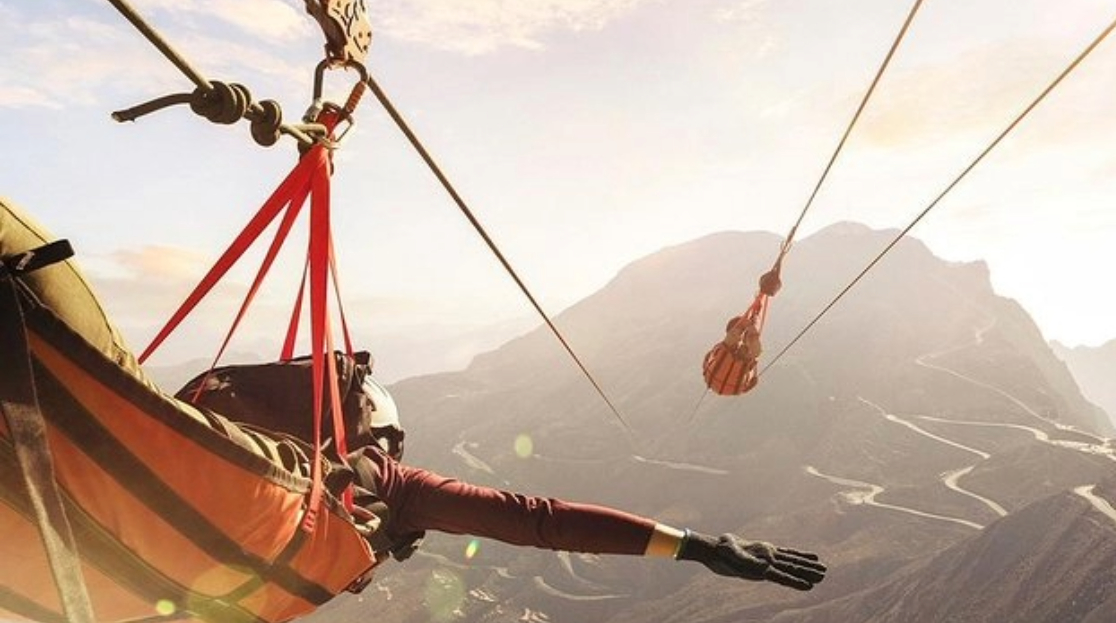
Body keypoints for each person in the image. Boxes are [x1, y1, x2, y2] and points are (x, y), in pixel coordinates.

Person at [0, 196, 826, 595]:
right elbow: (534, 518)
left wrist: (699, 544)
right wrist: (698, 544)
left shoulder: (238, 436)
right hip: (106, 511)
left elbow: (534, 516)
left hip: (96, 443)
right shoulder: (380, 493)